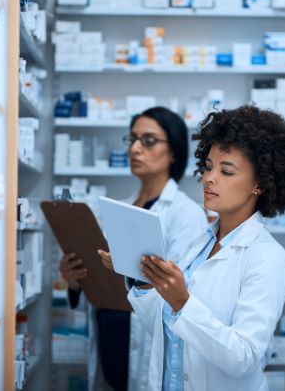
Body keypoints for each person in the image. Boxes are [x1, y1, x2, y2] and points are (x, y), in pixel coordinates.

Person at [123, 105, 285, 390]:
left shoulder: (267, 258)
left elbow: (244, 357)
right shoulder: (199, 243)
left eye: (227, 171)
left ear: (259, 184)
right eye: (209, 167)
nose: (209, 178)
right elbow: (165, 331)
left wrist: (182, 303)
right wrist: (144, 276)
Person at [59, 107, 208, 391]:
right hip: (112, 339)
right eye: (133, 139)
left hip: (147, 344)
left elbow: (182, 293)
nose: (136, 148)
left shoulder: (185, 214)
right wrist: (77, 279)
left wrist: (131, 271)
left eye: (148, 140)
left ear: (174, 152)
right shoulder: (121, 207)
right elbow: (108, 281)